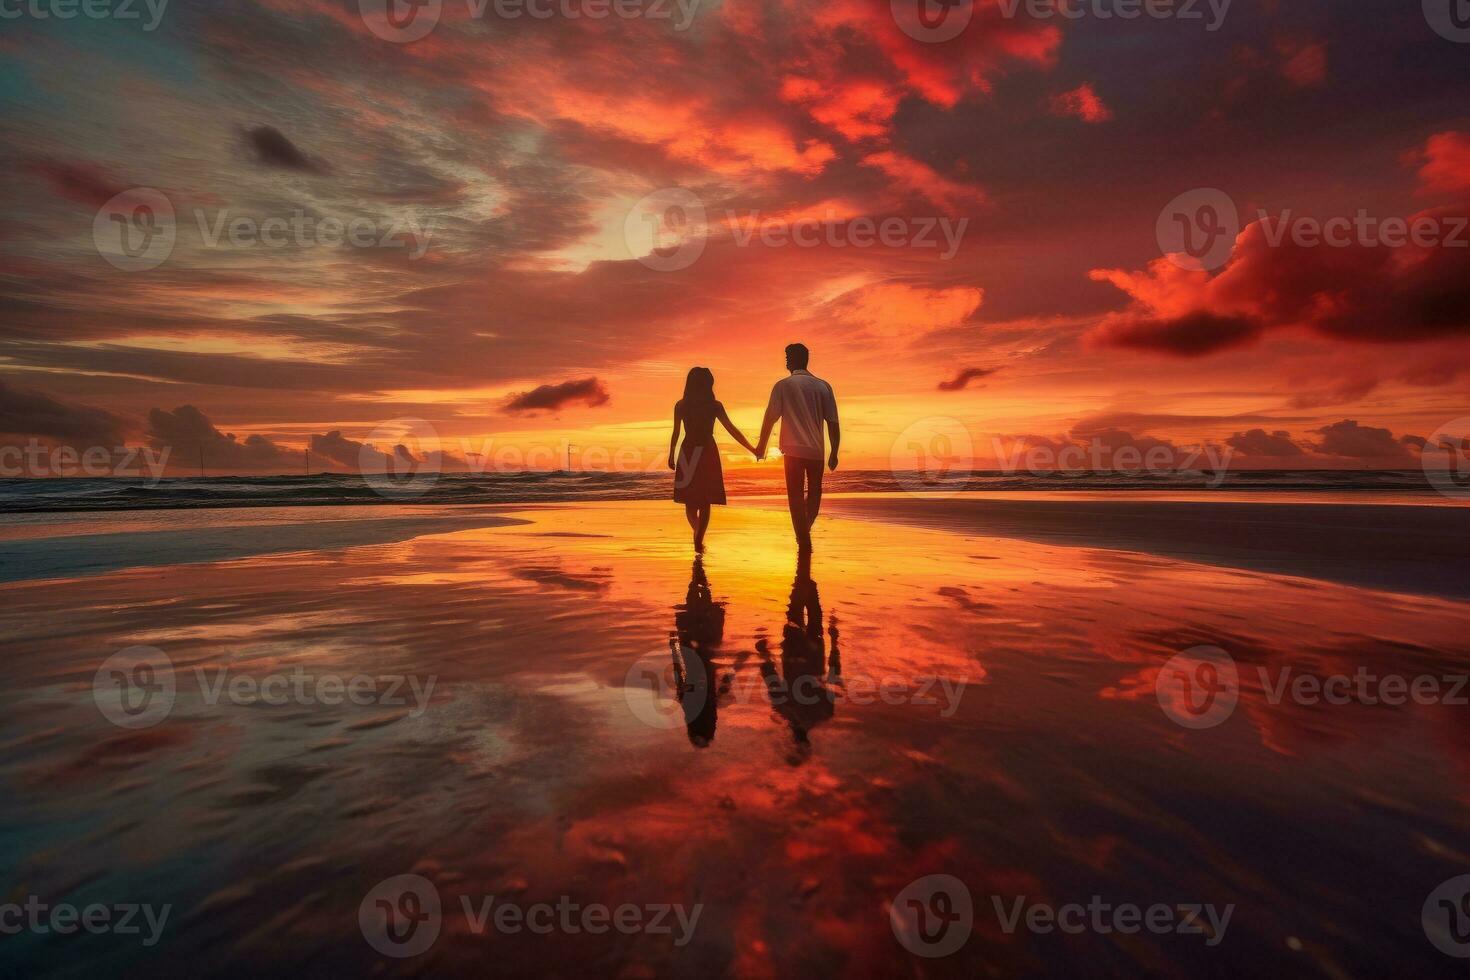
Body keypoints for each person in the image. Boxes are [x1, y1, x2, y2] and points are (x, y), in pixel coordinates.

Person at [755, 344, 840, 550]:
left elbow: (769, 419)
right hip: (816, 450)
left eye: (787, 356)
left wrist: (761, 447)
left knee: (794, 494)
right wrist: (834, 452)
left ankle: (802, 536)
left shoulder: (783, 385)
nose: (785, 360)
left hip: (793, 450)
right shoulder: (823, 386)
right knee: (814, 492)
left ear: (795, 360)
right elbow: (833, 422)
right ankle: (805, 530)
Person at [669, 367, 757, 551]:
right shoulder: (714, 405)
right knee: (705, 500)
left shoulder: (682, 405)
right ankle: (698, 536)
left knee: (690, 500)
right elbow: (732, 429)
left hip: (688, 451)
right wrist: (752, 449)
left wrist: (671, 454)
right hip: (707, 452)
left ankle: (697, 533)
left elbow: (676, 433)